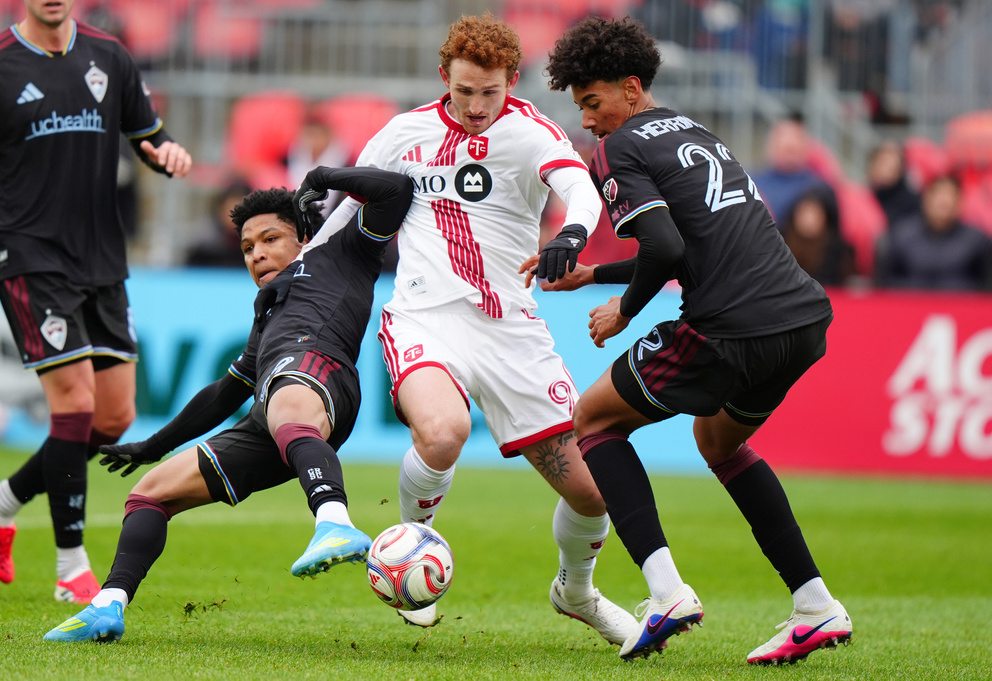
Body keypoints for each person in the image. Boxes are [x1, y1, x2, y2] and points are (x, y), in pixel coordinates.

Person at [311, 13, 637, 645]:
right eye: (464, 91)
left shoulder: (529, 132)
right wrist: (300, 268)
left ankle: (576, 591)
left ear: (511, 81)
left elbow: (580, 187)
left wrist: (573, 230)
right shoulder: (404, 134)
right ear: (445, 78)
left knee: (594, 495)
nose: (476, 105)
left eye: (490, 92)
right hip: (424, 316)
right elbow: (345, 208)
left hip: (512, 329)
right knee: (443, 432)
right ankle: (407, 550)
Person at [540, 16, 853, 665]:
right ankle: (816, 603)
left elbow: (666, 246)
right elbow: (691, 249)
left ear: (629, 88)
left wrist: (623, 310)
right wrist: (597, 273)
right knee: (719, 439)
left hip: (731, 325)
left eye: (593, 102)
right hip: (800, 316)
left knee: (593, 419)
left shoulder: (618, 147)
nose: (590, 121)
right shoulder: (694, 130)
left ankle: (666, 591)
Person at [43, 165, 415, 642]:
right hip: (272, 409)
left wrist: (324, 176)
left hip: (319, 373)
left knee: (285, 403)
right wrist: (154, 446)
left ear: (302, 235)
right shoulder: (267, 311)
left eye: (270, 239)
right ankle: (108, 605)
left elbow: (397, 189)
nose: (257, 254)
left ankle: (335, 522)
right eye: (247, 248)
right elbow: (228, 390)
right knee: (151, 494)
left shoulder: (341, 251)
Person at [0, 0, 192, 603]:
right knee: (73, 402)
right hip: (31, 255)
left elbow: (148, 133)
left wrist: (165, 152)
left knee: (113, 418)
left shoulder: (109, 56)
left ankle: (0, 501)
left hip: (102, 260)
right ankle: (71, 569)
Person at [874, 174, 992, 290]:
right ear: (926, 199)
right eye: (939, 194)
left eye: (951, 195)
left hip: (964, 306)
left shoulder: (978, 241)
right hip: (909, 305)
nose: (945, 201)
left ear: (960, 202)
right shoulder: (901, 236)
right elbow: (885, 285)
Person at [751, 117, 835, 229]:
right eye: (784, 145)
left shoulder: (820, 188)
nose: (789, 144)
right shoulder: (750, 182)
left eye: (793, 147)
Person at [780, 188, 858, 287]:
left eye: (814, 214)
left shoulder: (839, 250)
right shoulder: (781, 244)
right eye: (804, 213)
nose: (808, 220)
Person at [184, 177, 253, 268]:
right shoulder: (204, 246)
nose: (235, 219)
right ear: (220, 210)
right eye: (230, 211)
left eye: (241, 212)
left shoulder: (257, 249)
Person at [866, 140, 920, 230]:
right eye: (881, 162)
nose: (884, 169)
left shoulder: (910, 202)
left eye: (890, 165)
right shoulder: (865, 196)